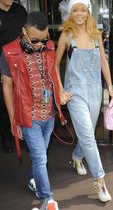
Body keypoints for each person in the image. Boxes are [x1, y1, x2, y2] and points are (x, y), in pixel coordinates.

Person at [55, 0, 113, 203]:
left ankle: (77, 156)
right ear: (71, 13)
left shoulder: (96, 34)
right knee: (90, 138)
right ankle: (100, 179)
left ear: (88, 11)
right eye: (75, 10)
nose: (79, 14)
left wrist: (110, 86)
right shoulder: (66, 35)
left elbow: (103, 62)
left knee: (88, 132)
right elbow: (55, 65)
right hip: (75, 93)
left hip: (95, 91)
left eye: (83, 9)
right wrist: (61, 90)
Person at [0, 12, 66, 210]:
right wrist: (14, 121)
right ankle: (48, 198)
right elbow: (7, 87)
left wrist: (60, 93)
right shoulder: (8, 51)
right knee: (40, 157)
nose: (40, 44)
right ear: (24, 32)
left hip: (49, 113)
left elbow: (54, 71)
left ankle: (32, 178)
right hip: (28, 116)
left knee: (41, 154)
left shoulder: (49, 46)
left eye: (44, 39)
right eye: (35, 40)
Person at [0, 0, 27, 153]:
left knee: (22, 100)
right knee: (3, 103)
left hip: (22, 64)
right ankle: (7, 137)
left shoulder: (20, 11)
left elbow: (27, 36)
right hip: (2, 65)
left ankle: (22, 133)